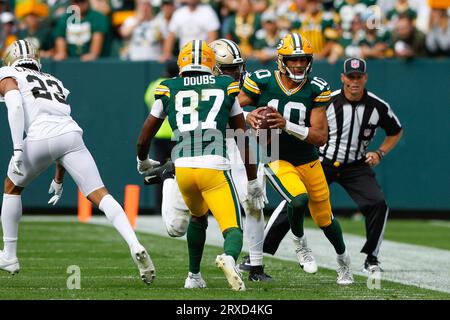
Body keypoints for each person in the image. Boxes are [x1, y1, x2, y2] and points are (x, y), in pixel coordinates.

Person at [0, 40, 155, 285]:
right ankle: (134, 243)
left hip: (38, 137)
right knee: (100, 193)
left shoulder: (8, 73)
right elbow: (59, 129)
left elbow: (16, 106)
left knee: (12, 188)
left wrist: (18, 147)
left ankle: (9, 256)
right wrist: (59, 178)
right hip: (71, 135)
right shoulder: (53, 80)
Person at [136, 40, 266, 291]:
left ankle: (193, 277)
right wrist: (252, 182)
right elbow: (241, 139)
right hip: (213, 164)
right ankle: (229, 258)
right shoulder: (226, 86)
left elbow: (143, 138)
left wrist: (143, 162)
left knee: (196, 219)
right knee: (232, 228)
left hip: (183, 167)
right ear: (213, 65)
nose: (233, 73)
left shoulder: (168, 87)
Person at [255, 58, 403, 273]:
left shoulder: (377, 105)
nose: (354, 81)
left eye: (358, 77)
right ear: (342, 78)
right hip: (322, 160)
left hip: (355, 165)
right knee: (294, 200)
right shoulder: (326, 99)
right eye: (350, 77)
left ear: (365, 78)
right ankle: (261, 253)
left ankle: (372, 257)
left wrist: (380, 152)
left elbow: (396, 130)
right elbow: (307, 128)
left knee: (378, 204)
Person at [238, 32, 354, 285]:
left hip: (307, 159)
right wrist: (247, 117)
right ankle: (300, 243)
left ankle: (344, 262)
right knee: (298, 199)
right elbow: (233, 106)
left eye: (303, 59)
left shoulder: (316, 88)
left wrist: (286, 125)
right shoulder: (263, 81)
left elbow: (320, 136)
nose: (299, 64)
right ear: (282, 60)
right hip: (275, 155)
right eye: (293, 60)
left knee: (326, 220)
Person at [143, 60, 178, 214]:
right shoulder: (179, 85)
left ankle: (160, 208)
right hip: (176, 134)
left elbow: (149, 102)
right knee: (180, 172)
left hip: (159, 134)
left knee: (160, 173)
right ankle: (179, 208)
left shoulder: (154, 85)